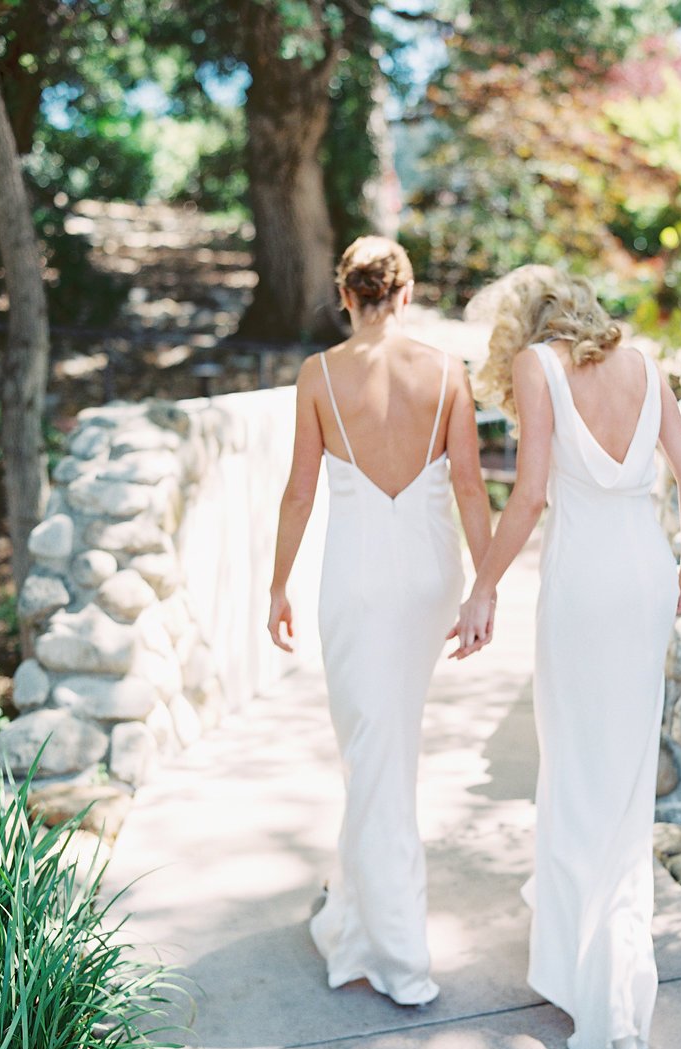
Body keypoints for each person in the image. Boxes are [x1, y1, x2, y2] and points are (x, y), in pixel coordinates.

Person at [453, 265, 681, 1049]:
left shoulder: (539, 365)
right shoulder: (646, 364)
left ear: (529, 320)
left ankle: (582, 974)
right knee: (625, 780)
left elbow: (528, 497)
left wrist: (481, 586)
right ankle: (615, 975)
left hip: (582, 582)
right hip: (643, 576)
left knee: (574, 767)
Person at [269, 236, 492, 1006]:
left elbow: (300, 492)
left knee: (374, 754)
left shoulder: (319, 374)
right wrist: (484, 587)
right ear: (404, 294)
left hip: (358, 580)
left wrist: (276, 586)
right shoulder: (445, 370)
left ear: (345, 294)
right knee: (380, 750)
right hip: (430, 574)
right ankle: (355, 911)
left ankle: (396, 955)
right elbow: (469, 485)